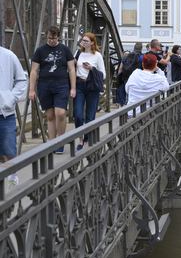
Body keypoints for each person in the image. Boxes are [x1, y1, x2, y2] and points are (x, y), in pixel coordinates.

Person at [29, 25, 76, 154]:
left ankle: (60, 141)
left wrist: (73, 88)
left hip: (61, 85)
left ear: (58, 37)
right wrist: (31, 89)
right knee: (50, 115)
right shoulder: (40, 50)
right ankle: (52, 143)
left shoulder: (65, 50)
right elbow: (34, 70)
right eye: (49, 38)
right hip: (44, 85)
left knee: (60, 113)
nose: (51, 41)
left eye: (54, 39)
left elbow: (71, 69)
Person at [0, 46, 28, 189]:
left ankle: (12, 180)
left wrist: (10, 98)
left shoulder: (8, 55)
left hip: (4, 113)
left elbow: (22, 80)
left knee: (10, 150)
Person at [73, 33, 106, 151]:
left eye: (86, 41)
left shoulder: (97, 55)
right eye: (83, 41)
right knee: (77, 114)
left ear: (92, 42)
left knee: (90, 115)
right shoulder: (78, 53)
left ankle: (87, 139)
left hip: (92, 86)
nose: (84, 43)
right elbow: (70, 69)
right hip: (79, 84)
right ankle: (80, 138)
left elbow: (104, 75)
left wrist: (92, 68)